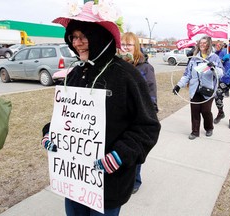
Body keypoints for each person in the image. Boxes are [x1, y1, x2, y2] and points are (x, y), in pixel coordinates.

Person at [41, 1, 161, 215]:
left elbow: (148, 126)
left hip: (110, 184)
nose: (77, 43)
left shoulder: (127, 76)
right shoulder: (75, 74)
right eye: (73, 37)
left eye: (83, 36)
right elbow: (66, 117)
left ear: (100, 36)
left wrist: (119, 155)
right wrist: (51, 133)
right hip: (74, 180)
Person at [118, 32, 158, 194]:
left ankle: (135, 180)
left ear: (136, 47)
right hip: (119, 116)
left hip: (137, 117)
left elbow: (151, 93)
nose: (125, 47)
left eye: (129, 45)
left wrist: (150, 114)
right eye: (123, 44)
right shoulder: (115, 65)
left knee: (134, 150)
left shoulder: (145, 68)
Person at [172, 35, 224, 140]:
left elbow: (221, 73)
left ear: (209, 44)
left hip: (208, 90)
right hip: (195, 89)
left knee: (206, 111)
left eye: (205, 43)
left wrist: (213, 68)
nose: (202, 45)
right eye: (200, 43)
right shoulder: (194, 58)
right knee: (194, 111)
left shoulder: (214, 58)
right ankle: (195, 131)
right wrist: (178, 85)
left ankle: (209, 128)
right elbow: (187, 74)